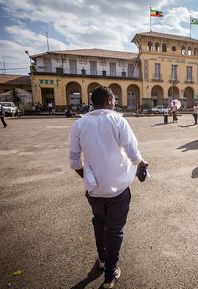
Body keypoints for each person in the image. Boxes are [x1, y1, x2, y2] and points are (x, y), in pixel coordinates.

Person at [68, 86, 148, 289]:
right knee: (115, 230)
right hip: (119, 188)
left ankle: (103, 260)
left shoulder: (79, 124)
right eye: (113, 100)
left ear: (93, 102)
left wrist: (88, 177)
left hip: (94, 190)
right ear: (110, 101)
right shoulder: (118, 120)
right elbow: (132, 152)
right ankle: (110, 275)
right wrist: (142, 164)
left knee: (99, 222)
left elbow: (74, 161)